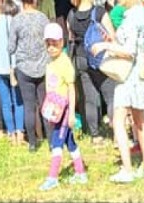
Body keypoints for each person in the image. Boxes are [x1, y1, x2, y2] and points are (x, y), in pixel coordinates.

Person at [91, 0, 144, 183]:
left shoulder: (133, 18)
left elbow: (129, 51)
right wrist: (112, 41)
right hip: (137, 73)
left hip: (127, 75)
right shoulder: (141, 16)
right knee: (139, 121)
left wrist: (106, 46)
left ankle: (127, 169)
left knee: (118, 120)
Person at [38, 22, 87, 190]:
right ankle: (80, 172)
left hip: (65, 110)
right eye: (48, 43)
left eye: (55, 43)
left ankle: (52, 177)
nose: (51, 47)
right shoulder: (50, 63)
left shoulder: (65, 63)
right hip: (54, 110)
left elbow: (71, 89)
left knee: (56, 142)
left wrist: (72, 113)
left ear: (62, 42)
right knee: (69, 141)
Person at [66, 0, 113, 147]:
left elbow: (71, 37)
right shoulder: (99, 12)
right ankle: (117, 131)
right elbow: (112, 35)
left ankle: (95, 135)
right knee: (111, 95)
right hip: (98, 57)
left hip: (81, 59)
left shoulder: (71, 14)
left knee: (90, 99)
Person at [9, 0, 49, 150]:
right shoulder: (43, 18)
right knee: (45, 104)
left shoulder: (17, 20)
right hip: (43, 66)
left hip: (24, 68)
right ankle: (51, 139)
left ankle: (32, 142)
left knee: (29, 106)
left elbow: (11, 47)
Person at [0, 0, 23, 143]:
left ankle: (11, 133)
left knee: (5, 103)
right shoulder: (8, 20)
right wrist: (13, 67)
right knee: (17, 100)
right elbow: (12, 46)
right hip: (10, 66)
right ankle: (19, 132)